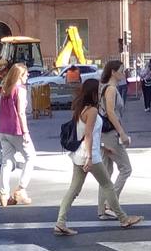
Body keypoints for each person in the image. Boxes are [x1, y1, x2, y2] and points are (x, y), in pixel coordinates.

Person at [54, 78, 144, 236]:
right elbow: (88, 135)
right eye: (98, 90)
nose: (100, 93)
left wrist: (103, 147)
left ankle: (60, 222)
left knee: (74, 190)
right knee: (108, 185)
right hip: (90, 157)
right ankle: (123, 219)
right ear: (93, 93)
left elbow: (88, 135)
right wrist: (90, 158)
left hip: (79, 155)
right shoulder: (93, 111)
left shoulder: (80, 109)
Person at [96, 60, 134, 220]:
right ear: (113, 72)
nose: (123, 73)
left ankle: (102, 210)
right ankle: (111, 204)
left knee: (106, 172)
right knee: (126, 168)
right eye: (121, 70)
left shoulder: (102, 87)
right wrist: (122, 133)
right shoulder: (111, 89)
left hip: (102, 133)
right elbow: (111, 113)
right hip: (111, 133)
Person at [0, 63, 36, 206]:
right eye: (26, 74)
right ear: (20, 75)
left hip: (4, 129)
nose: (28, 76)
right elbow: (21, 112)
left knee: (7, 161)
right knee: (30, 156)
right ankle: (21, 189)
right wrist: (25, 132)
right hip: (16, 129)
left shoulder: (5, 88)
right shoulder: (20, 89)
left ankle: (4, 193)